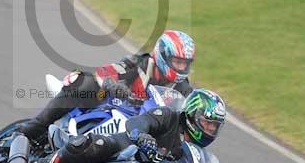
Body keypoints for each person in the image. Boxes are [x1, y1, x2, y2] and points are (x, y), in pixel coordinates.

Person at [16, 30, 196, 143]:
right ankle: (31, 129)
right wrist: (114, 85)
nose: (181, 68)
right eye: (177, 62)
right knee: (84, 83)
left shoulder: (183, 89)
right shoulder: (139, 63)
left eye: (185, 63)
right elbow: (105, 72)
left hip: (142, 130)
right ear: (162, 55)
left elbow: (189, 114)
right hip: (110, 107)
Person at [22, 87, 226, 163]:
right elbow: (138, 123)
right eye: (207, 123)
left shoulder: (194, 153)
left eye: (214, 127)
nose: (209, 130)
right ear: (192, 113)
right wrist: (141, 136)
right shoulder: (168, 116)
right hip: (125, 152)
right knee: (97, 144)